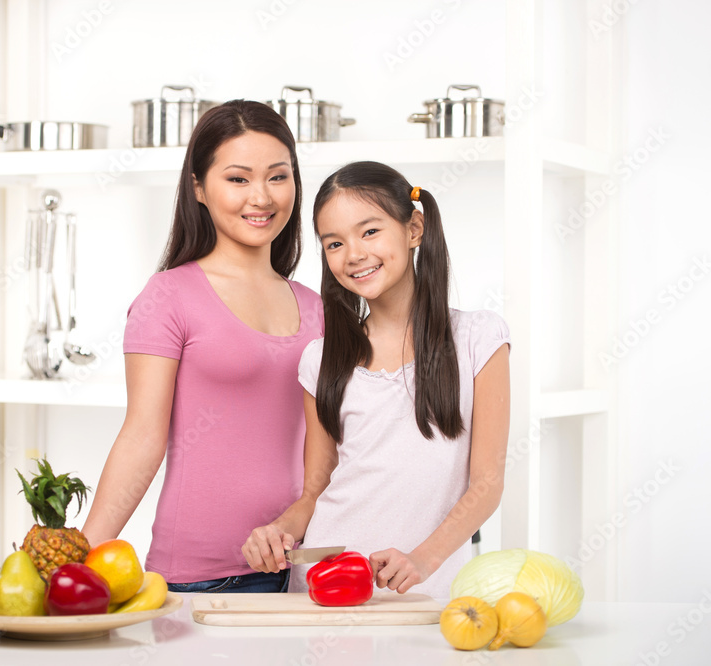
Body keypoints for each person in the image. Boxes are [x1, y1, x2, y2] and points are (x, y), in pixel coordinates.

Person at [81, 100, 324, 594]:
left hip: (299, 571)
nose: (261, 196)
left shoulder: (318, 308)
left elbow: (327, 457)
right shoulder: (168, 297)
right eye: (238, 179)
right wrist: (79, 559)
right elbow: (141, 439)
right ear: (199, 187)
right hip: (200, 580)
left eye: (278, 177)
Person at [241, 161, 510, 599]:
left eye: (370, 232)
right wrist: (277, 531)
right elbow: (316, 490)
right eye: (334, 243)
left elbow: (487, 483)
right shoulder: (322, 360)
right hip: (327, 585)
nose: (353, 255)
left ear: (414, 229)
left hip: (429, 588)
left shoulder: (479, 338)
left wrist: (423, 558)